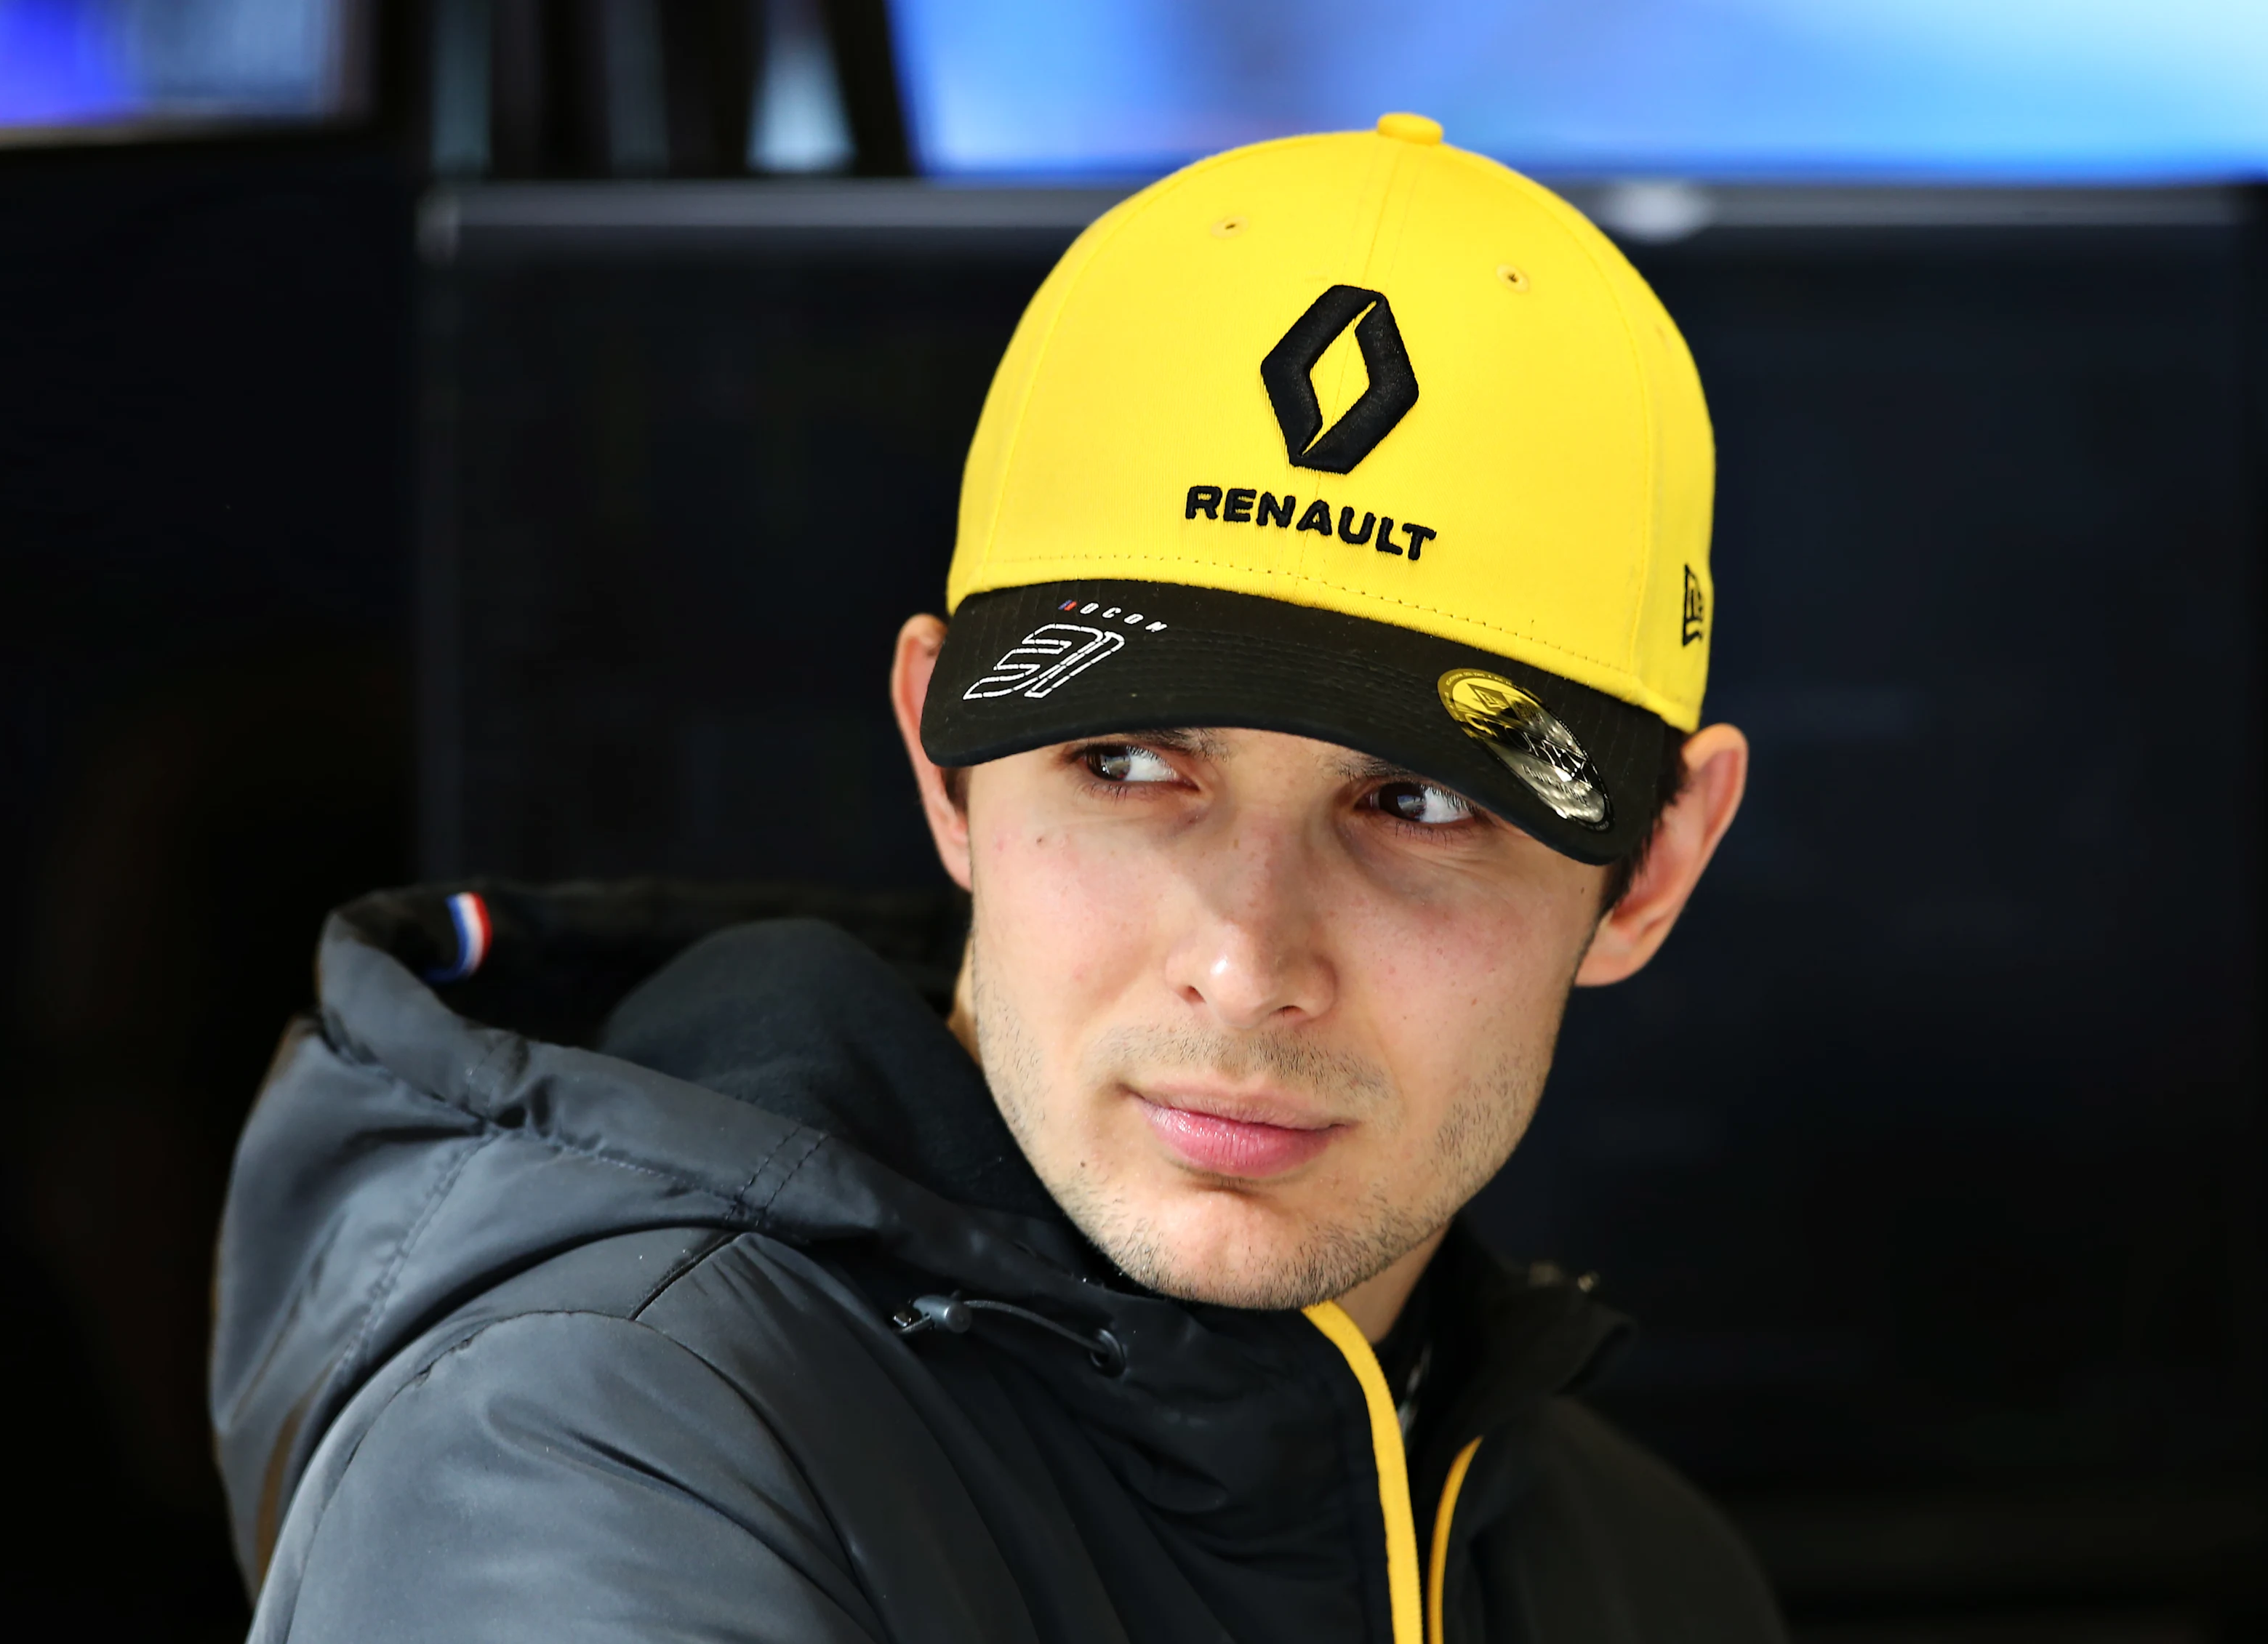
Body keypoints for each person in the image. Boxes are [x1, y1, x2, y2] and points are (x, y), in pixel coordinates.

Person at [212, 113, 1769, 1643]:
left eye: (1417, 802)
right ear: (940, 762)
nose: (1245, 962)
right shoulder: (600, 1440)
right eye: (1131, 766)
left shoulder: (1641, 1573)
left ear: (1655, 864)